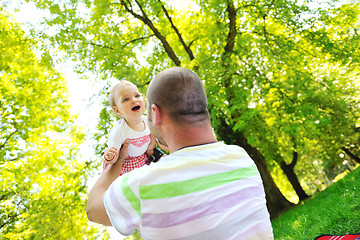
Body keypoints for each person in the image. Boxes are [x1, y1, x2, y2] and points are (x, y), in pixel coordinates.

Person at [87, 67, 274, 240]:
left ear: (155, 113)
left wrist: (118, 160)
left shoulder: (142, 183)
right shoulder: (241, 158)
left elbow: (92, 209)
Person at [103, 80, 161, 176]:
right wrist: (110, 157)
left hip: (143, 159)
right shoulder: (119, 130)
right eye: (126, 99)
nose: (134, 100)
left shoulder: (148, 121)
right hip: (124, 164)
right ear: (118, 110)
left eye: (137, 96)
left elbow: (160, 140)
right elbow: (114, 155)